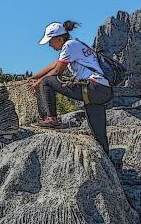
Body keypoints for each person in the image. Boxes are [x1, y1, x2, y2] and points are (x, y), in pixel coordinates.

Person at [28, 20, 113, 153]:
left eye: (51, 41)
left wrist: (38, 83)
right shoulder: (74, 46)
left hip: (93, 87)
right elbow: (53, 65)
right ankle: (109, 163)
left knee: (47, 82)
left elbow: (56, 72)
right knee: (99, 134)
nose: (50, 45)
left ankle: (52, 120)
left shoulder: (69, 46)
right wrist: (34, 77)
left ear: (60, 38)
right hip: (102, 90)